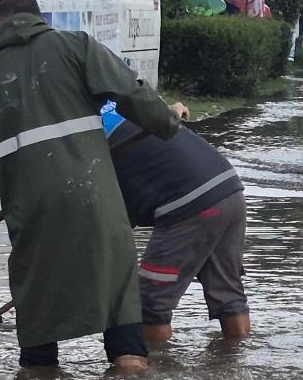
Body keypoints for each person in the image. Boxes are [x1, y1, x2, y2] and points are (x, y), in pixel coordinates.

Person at [0, 0, 181, 372]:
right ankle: (129, 372)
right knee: (116, 283)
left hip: (31, 206)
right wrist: (167, 122)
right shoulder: (76, 45)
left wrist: (16, 193)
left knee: (36, 292)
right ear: (39, 18)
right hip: (93, 193)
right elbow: (129, 91)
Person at [102, 99, 251, 341]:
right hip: (230, 189)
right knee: (228, 295)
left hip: (190, 205)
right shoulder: (126, 104)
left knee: (149, 306)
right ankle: (238, 357)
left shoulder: (84, 134)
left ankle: (158, 365)